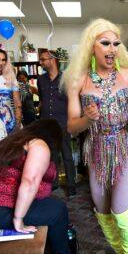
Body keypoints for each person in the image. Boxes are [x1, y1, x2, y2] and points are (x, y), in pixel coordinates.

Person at [64, 18, 128, 254]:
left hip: (127, 144)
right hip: (97, 148)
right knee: (102, 209)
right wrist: (87, 119)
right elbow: (72, 127)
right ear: (92, 46)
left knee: (120, 206)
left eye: (115, 43)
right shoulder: (78, 81)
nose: (112, 48)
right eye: (105, 42)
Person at [0, 119, 89, 254]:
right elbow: (30, 182)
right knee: (58, 210)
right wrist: (18, 219)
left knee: (49, 205)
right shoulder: (39, 145)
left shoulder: (15, 140)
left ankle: (55, 250)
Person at [38, 49, 77, 196]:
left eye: (43, 59)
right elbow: (42, 100)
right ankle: (54, 183)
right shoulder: (41, 80)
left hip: (63, 124)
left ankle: (71, 185)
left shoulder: (67, 79)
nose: (40, 62)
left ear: (52, 59)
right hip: (46, 124)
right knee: (51, 156)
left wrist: (72, 122)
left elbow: (73, 103)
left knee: (67, 155)